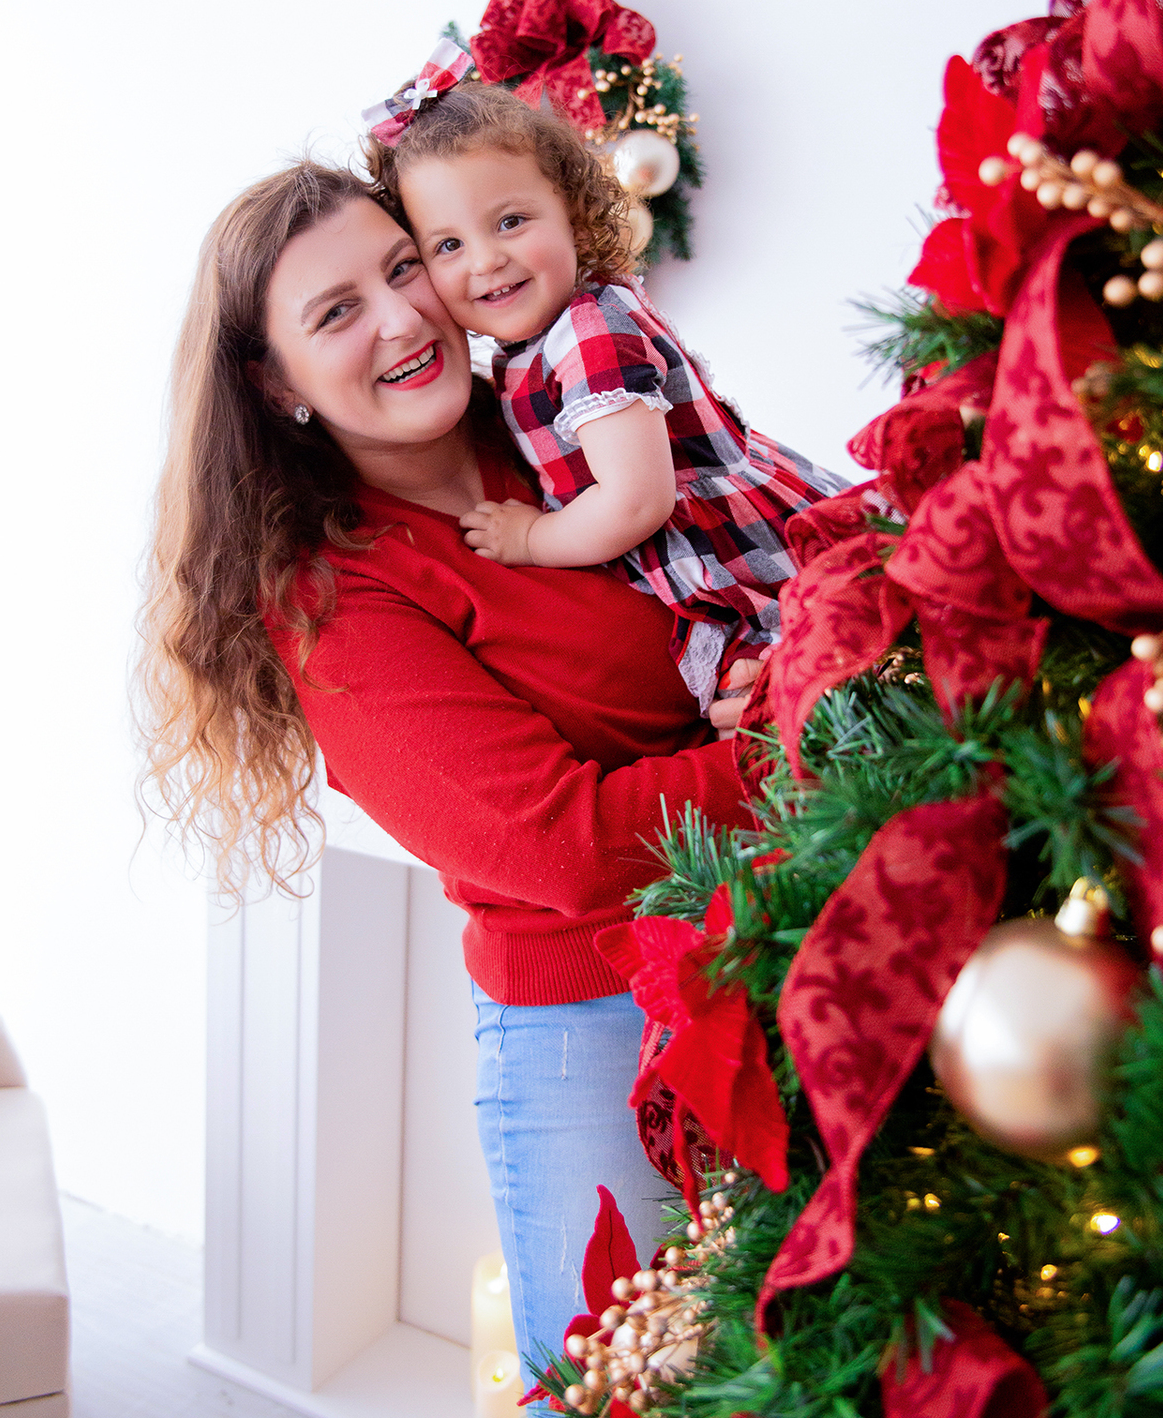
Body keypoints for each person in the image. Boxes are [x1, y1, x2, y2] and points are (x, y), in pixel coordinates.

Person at [138, 159, 764, 1393]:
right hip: (595, 1017)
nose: (403, 315)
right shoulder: (329, 596)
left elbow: (744, 538)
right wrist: (787, 744)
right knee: (630, 1386)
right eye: (335, 312)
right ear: (275, 385)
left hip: (775, 926)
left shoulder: (556, 411)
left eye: (403, 264)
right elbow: (566, 848)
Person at [364, 55, 844, 713]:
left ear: (573, 215)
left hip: (743, 558)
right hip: (708, 558)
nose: (486, 259)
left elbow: (636, 501)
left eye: (510, 221)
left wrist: (531, 539)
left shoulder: (588, 335)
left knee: (814, 686)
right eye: (447, 246)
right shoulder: (532, 347)